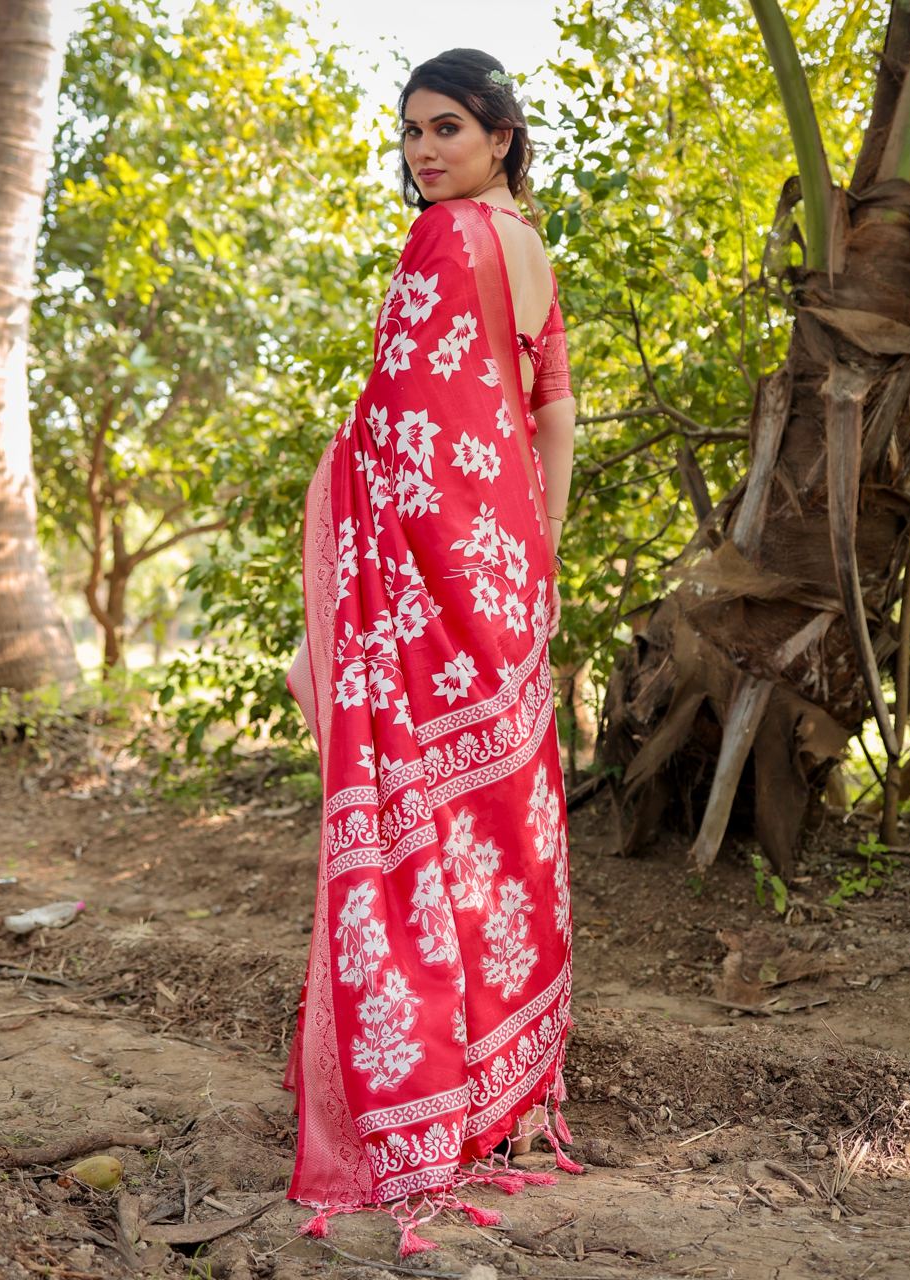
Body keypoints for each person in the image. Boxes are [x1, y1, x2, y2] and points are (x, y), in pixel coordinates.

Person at [283, 47, 579, 1256]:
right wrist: (540, 551)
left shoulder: (444, 241)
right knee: (497, 817)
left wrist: (343, 555)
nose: (421, 152)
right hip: (502, 561)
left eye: (446, 128)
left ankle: (427, 1110)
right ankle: (504, 1093)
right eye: (409, 131)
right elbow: (554, 412)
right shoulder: (533, 251)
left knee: (426, 820)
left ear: (501, 134)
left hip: (432, 566)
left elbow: (393, 426)